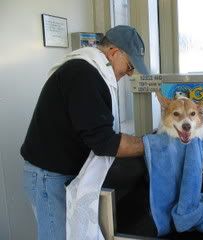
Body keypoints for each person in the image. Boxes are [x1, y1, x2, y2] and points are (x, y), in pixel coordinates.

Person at [21, 25, 148, 240]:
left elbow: (95, 130)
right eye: (128, 66)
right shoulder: (83, 74)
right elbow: (104, 142)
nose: (128, 74)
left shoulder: (91, 71)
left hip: (61, 172)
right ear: (114, 53)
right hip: (48, 177)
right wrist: (151, 145)